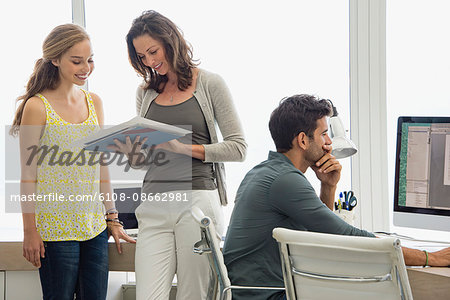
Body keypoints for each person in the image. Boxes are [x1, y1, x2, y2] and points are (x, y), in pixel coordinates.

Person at [223, 94, 450, 300]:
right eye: (323, 134)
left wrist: (328, 187)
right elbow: (346, 238)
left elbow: (320, 237)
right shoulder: (285, 181)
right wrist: (431, 258)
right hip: (270, 295)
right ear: (303, 140)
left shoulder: (266, 171)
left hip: (256, 291)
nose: (329, 143)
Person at [110, 10, 247, 300]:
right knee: (148, 296)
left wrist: (184, 149)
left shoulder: (210, 84)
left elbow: (237, 147)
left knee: (194, 295)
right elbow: (148, 158)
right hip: (153, 204)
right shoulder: (145, 93)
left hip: (196, 201)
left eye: (153, 51)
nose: (149, 61)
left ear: (170, 42)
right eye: (141, 56)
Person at [12, 24, 135, 300]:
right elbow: (28, 175)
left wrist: (112, 219)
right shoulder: (37, 106)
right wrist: (30, 231)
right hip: (55, 230)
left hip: (94, 229)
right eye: (77, 61)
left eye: (90, 60)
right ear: (55, 60)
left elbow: (102, 166)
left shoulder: (95, 102)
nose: (86, 68)